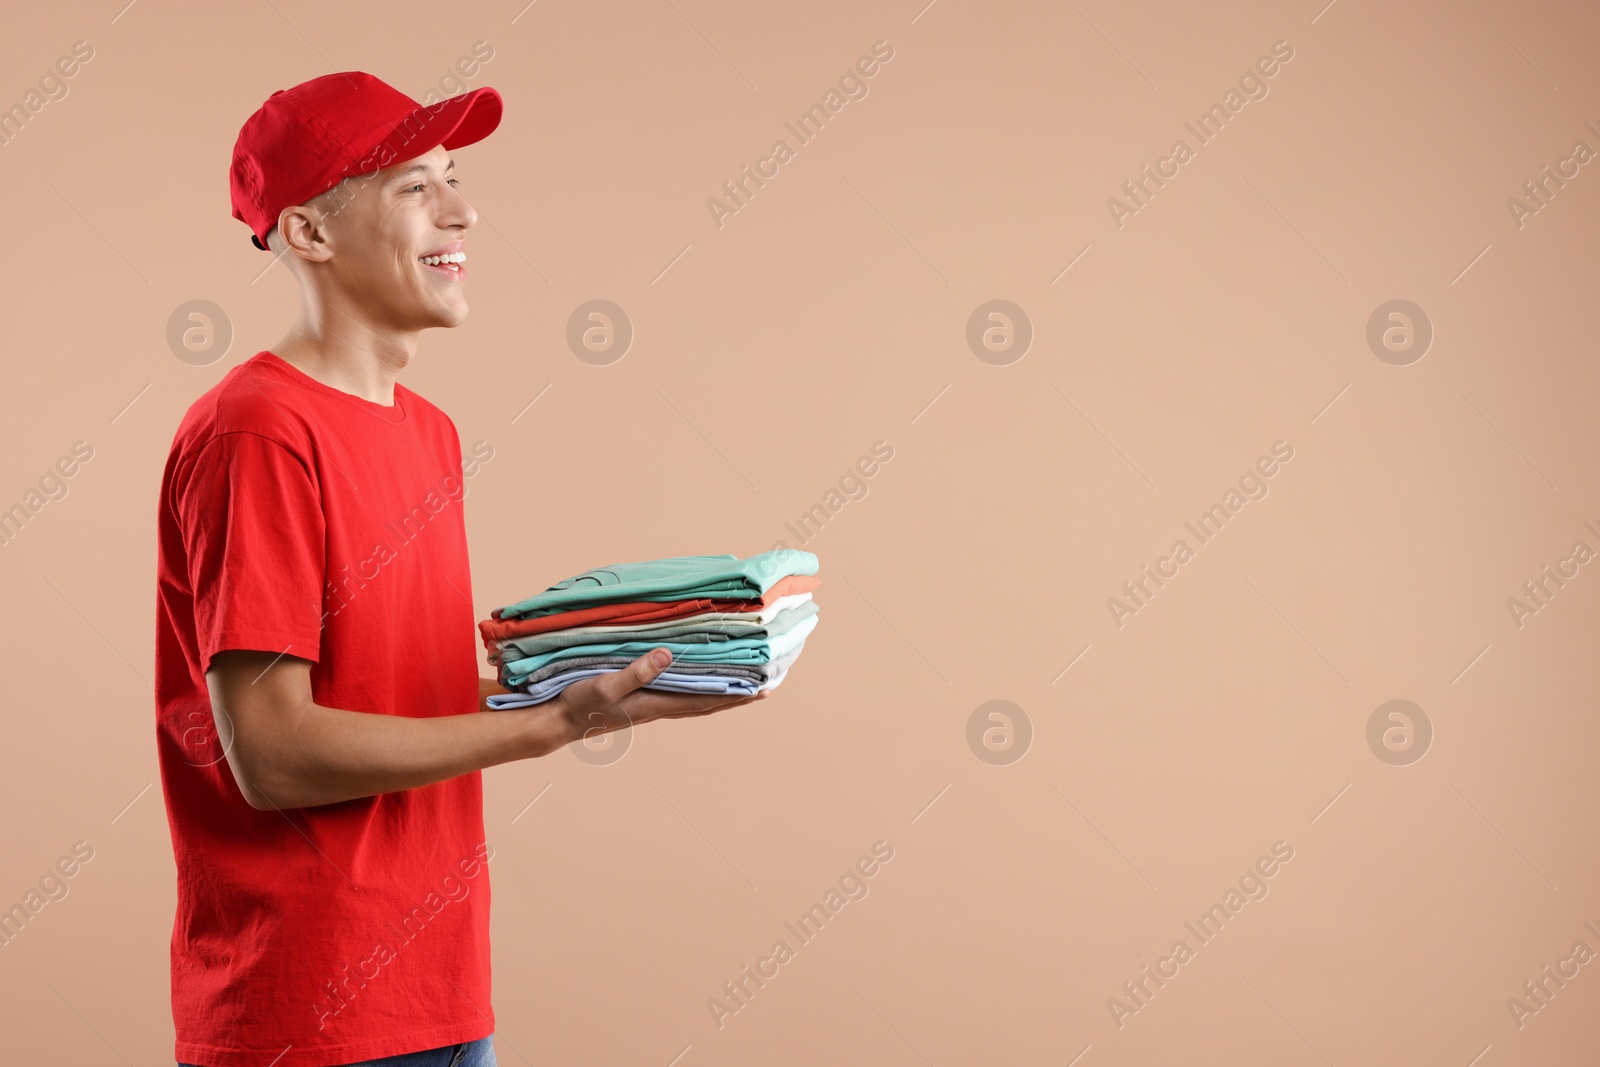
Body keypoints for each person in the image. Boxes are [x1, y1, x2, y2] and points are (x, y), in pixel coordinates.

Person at [154, 71, 768, 1067]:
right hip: (308, 1007)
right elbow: (270, 752)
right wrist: (545, 727)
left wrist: (604, 680)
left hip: (440, 986)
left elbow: (400, 689)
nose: (462, 209)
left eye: (454, 177)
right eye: (414, 187)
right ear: (309, 234)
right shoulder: (258, 430)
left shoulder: (429, 434)